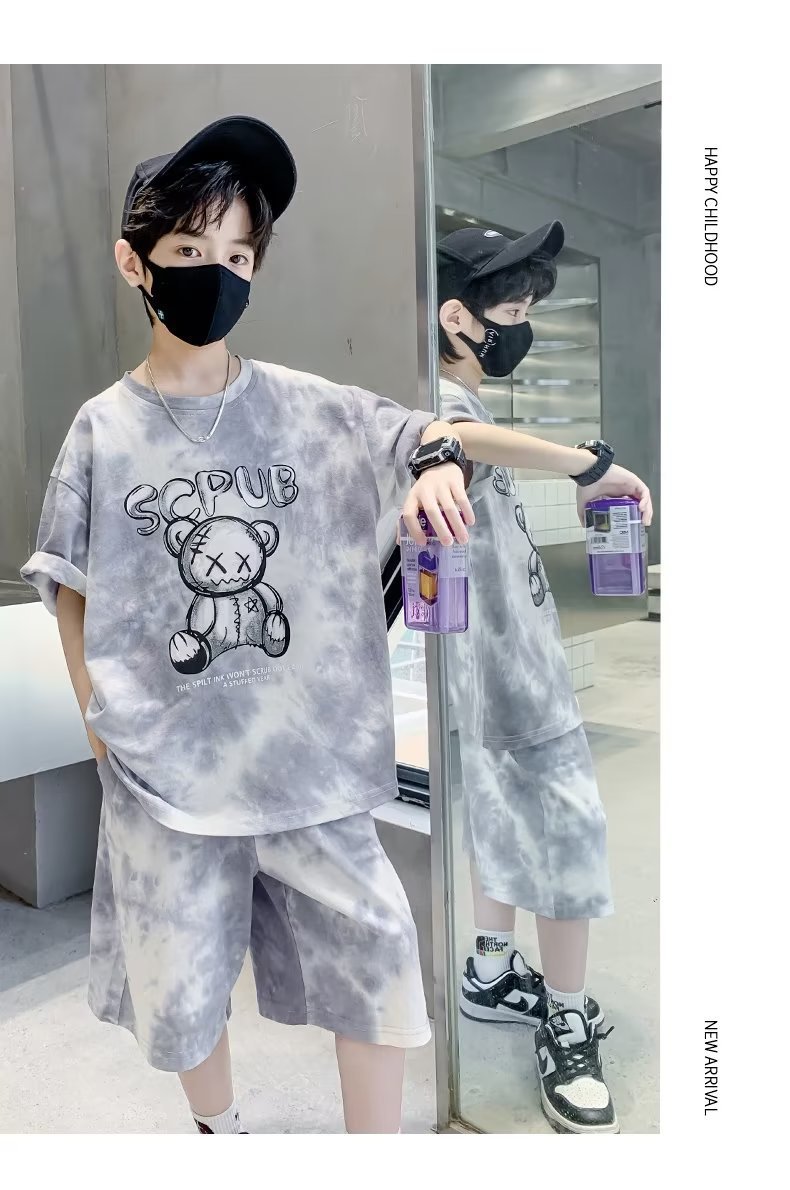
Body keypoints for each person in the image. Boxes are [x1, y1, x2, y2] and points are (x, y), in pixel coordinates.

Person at [20, 115, 648, 1135]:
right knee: (183, 981)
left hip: (307, 766)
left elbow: (432, 432)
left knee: (377, 965)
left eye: (237, 256)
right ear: (135, 262)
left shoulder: (307, 407)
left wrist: (581, 465)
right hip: (169, 779)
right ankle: (221, 1133)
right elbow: (70, 579)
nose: (217, 274)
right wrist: (103, 728)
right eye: (190, 250)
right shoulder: (104, 427)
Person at [434, 222, 653, 1135]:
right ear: (458, 318)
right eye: (511, 308)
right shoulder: (441, 405)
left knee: (503, 813)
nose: (521, 325)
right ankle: (565, 1016)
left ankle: (490, 969)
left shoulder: (460, 403)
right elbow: (456, 436)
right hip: (507, 673)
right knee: (565, 828)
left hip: (497, 663)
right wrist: (591, 464)